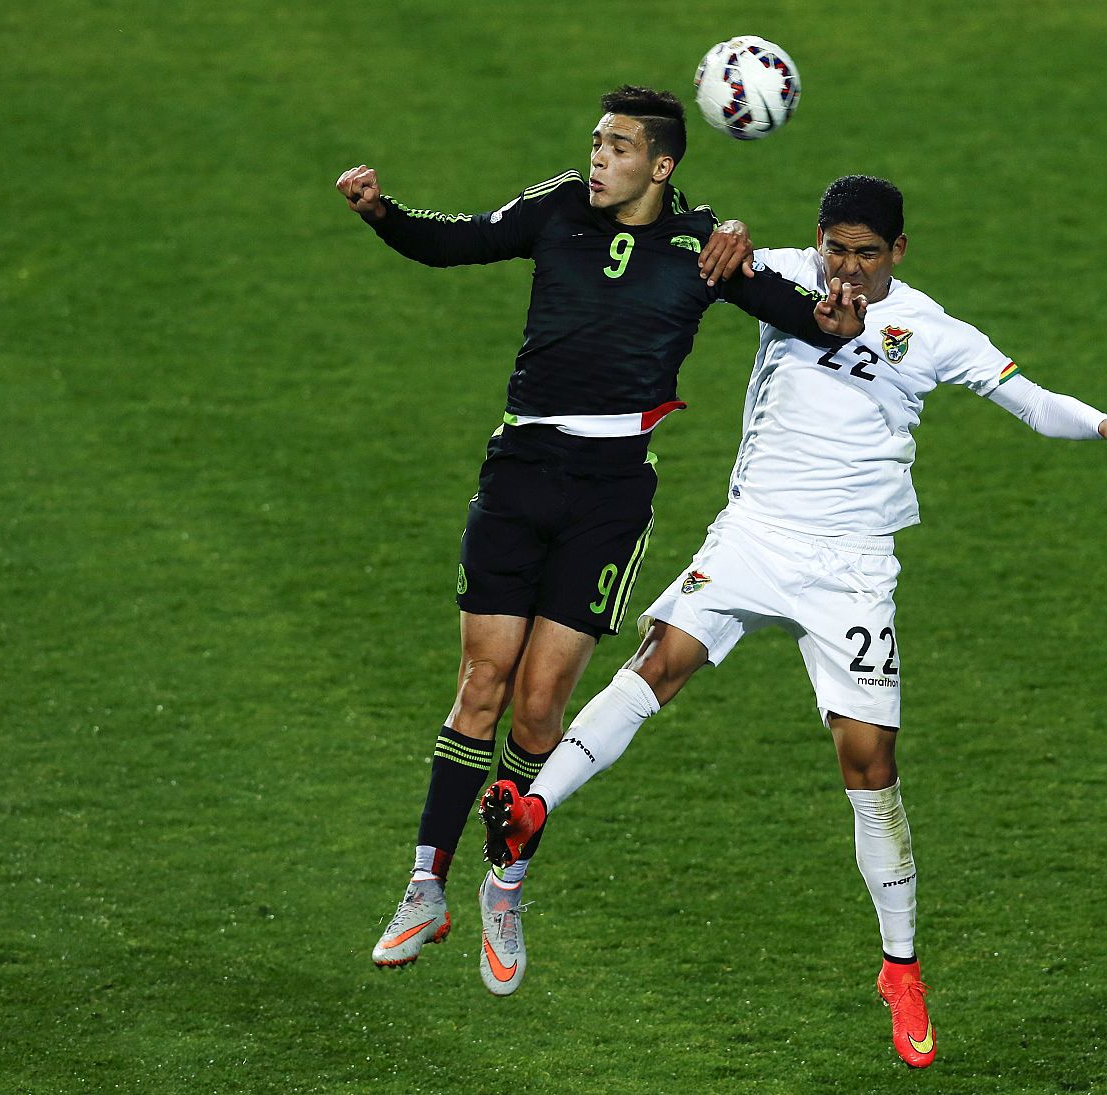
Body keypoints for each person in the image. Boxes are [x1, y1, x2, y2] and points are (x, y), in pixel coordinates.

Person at [480, 174, 1107, 1066]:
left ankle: (900, 967)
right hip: (754, 534)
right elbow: (684, 249)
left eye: (865, 253)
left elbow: (1028, 398)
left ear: (898, 252)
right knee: (661, 661)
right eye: (835, 249)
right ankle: (521, 825)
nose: (846, 269)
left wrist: (1104, 425)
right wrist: (722, 230)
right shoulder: (780, 277)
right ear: (816, 242)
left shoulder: (934, 332)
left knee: (871, 762)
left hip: (853, 567)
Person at [338, 87, 866, 994]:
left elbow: (806, 317)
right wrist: (382, 211)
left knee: (540, 707)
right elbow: (453, 240)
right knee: (480, 684)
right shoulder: (554, 210)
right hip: (519, 473)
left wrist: (841, 315)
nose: (597, 158)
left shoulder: (707, 250)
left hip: (610, 493)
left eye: (618, 147)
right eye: (595, 142)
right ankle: (425, 883)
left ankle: (504, 881)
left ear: (660, 165)